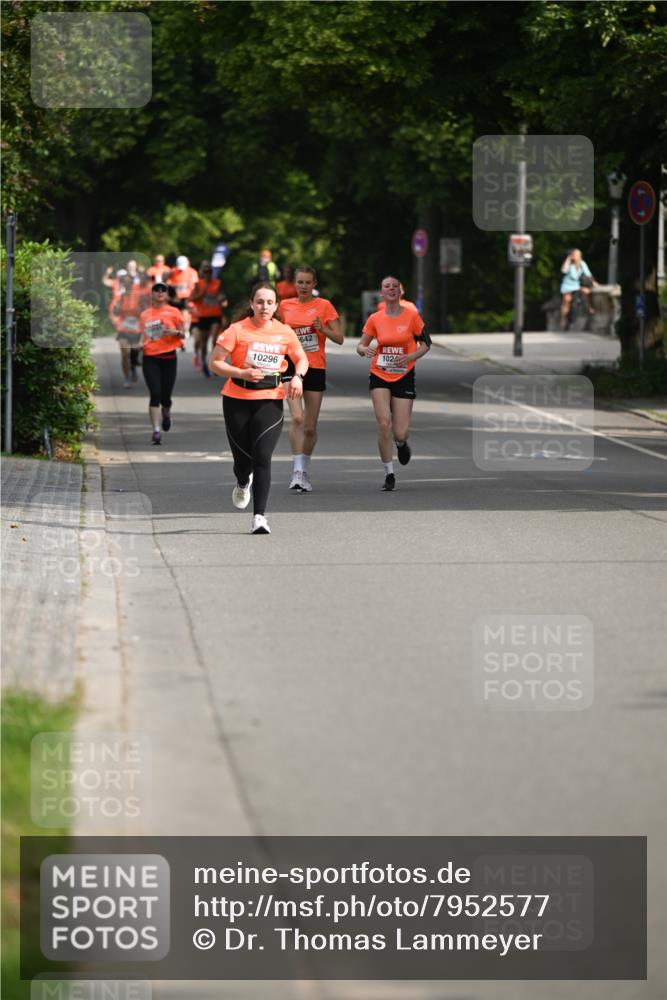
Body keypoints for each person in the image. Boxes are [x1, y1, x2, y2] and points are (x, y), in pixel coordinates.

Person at [209, 282, 308, 535]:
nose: (265, 307)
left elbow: (301, 358)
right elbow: (216, 363)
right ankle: (243, 481)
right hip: (236, 399)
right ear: (252, 304)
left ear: (276, 305)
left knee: (262, 457)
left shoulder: (284, 332)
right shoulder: (237, 330)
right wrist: (241, 371)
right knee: (243, 462)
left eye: (270, 302)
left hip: (270, 399)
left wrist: (298, 376)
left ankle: (259, 517)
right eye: (260, 302)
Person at [357, 275, 430, 491]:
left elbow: (426, 344)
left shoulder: (412, 316)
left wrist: (411, 357)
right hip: (379, 373)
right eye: (387, 286)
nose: (391, 289)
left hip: (404, 374)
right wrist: (364, 350)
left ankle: (401, 443)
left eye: (395, 286)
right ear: (382, 292)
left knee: (399, 431)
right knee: (383, 423)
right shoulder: (375, 318)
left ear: (400, 291)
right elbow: (361, 346)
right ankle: (389, 473)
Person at [279, 266, 342, 492]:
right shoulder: (284, 306)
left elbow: (340, 338)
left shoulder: (324, 306)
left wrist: (322, 329)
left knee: (310, 427)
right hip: (290, 366)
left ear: (314, 285)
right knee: (297, 418)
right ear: (294, 284)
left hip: (315, 367)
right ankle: (296, 471)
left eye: (308, 283)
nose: (303, 286)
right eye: (300, 282)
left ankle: (304, 468)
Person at [139, 282, 185, 445]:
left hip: (169, 357)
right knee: (155, 393)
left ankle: (166, 413)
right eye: (156, 290)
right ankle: (156, 430)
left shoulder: (174, 312)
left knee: (166, 396)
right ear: (151, 294)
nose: (160, 293)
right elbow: (141, 335)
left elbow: (183, 333)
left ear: (167, 294)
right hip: (150, 357)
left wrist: (175, 332)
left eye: (163, 290)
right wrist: (138, 345)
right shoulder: (145, 314)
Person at [109, 272, 148, 387]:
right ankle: (127, 377)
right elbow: (115, 312)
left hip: (136, 329)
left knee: (135, 352)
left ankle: (133, 366)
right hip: (123, 328)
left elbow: (145, 311)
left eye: (129, 283)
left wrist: (140, 311)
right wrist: (119, 304)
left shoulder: (139, 295)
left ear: (132, 283)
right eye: (124, 283)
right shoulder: (119, 296)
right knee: (124, 353)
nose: (127, 286)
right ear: (122, 284)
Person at [189, 262, 228, 377]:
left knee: (215, 339)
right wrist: (202, 293)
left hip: (216, 314)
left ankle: (215, 364)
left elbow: (221, 296)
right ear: (202, 273)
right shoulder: (198, 284)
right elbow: (192, 299)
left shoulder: (217, 283)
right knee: (203, 341)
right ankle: (204, 363)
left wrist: (223, 300)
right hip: (203, 315)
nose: (208, 274)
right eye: (205, 272)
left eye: (210, 272)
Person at [560, 249, 597, 329]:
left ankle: (589, 308)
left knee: (586, 292)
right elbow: (563, 270)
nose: (575, 257)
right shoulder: (569, 263)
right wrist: (568, 259)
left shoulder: (582, 263)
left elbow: (588, 274)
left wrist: (594, 283)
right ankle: (563, 319)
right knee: (567, 300)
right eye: (574, 255)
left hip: (577, 285)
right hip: (567, 285)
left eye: (577, 255)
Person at [167, 255, 199, 336]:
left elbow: (196, 286)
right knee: (174, 313)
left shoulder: (192, 272)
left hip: (187, 296)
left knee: (185, 312)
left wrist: (192, 296)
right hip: (175, 297)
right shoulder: (173, 271)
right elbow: (168, 282)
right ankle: (176, 328)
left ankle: (186, 329)